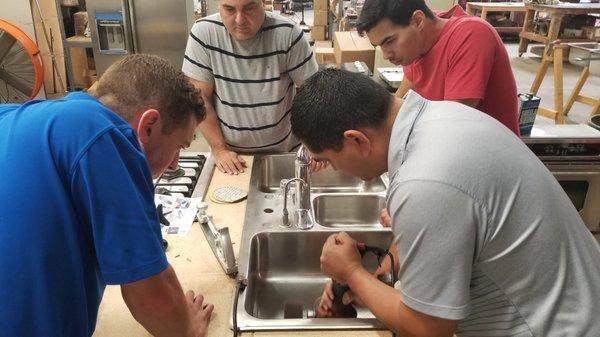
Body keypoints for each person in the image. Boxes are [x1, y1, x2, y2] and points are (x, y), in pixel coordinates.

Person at [291, 69, 600, 336]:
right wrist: (372, 280)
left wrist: (352, 275)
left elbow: (429, 329)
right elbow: (444, 233)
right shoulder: (440, 119)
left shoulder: (423, 181)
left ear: (357, 140)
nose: (334, 170)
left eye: (329, 160)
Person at [0, 55, 214, 337]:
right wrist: (188, 329)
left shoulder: (17, 118)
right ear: (148, 126)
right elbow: (149, 294)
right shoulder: (103, 135)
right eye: (179, 147)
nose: (175, 163)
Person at [182, 0, 319, 175]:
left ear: (264, 3)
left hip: (285, 153)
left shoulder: (288, 34)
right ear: (219, 5)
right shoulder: (204, 34)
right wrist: (219, 149)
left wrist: (313, 143)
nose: (240, 20)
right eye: (229, 9)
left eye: (249, 7)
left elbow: (312, 95)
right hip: (231, 157)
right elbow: (200, 99)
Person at [357, 0, 520, 135]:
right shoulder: (418, 46)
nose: (386, 55)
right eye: (379, 45)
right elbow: (398, 105)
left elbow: (450, 124)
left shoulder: (471, 35)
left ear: (418, 20)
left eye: (389, 41)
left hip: (492, 162)